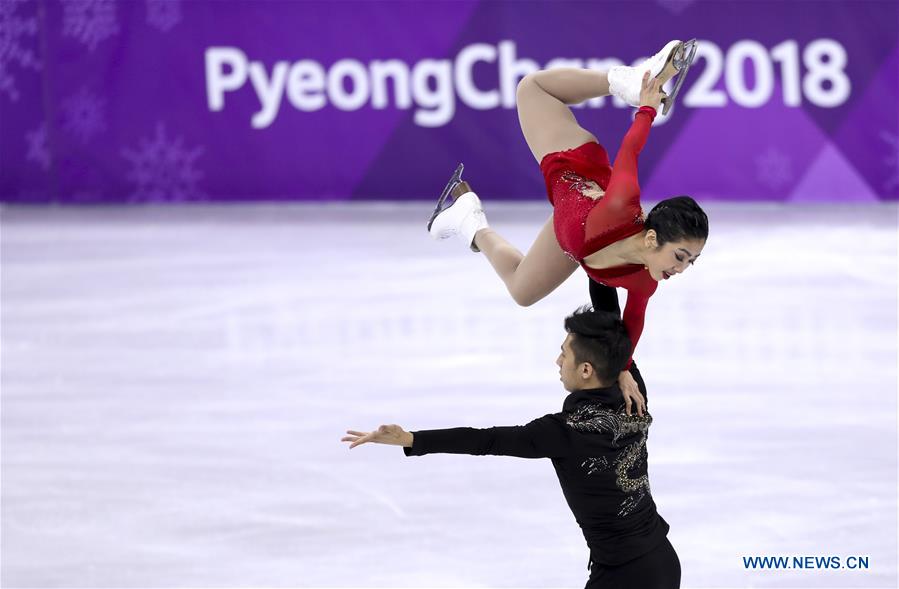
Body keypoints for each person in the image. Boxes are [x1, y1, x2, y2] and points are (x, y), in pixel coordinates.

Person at [427, 40, 708, 416]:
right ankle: (626, 79)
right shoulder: (620, 206)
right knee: (532, 88)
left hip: (571, 231)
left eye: (691, 261)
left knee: (522, 291)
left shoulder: (645, 282)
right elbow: (630, 152)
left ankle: (467, 216)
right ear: (653, 238)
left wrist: (622, 370)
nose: (681, 268)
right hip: (573, 166)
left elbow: (631, 324)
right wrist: (645, 107)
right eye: (680, 256)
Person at [342, 307, 680, 589]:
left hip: (626, 575)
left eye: (564, 353)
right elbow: (612, 318)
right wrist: (625, 368)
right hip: (662, 559)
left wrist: (412, 439)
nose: (557, 360)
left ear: (586, 370)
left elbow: (486, 440)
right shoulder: (634, 393)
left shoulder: (564, 432)